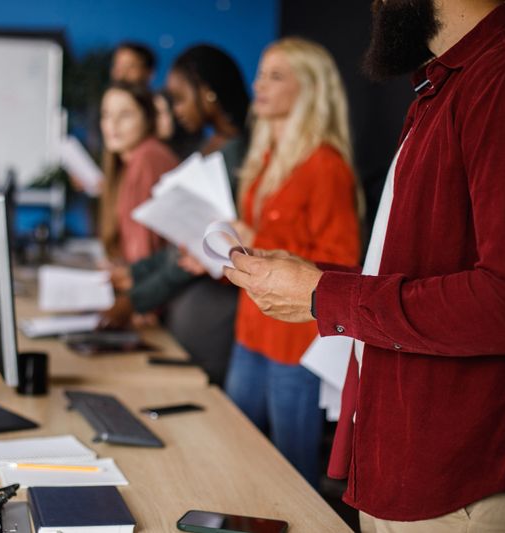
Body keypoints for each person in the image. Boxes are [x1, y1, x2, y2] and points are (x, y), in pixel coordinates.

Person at [224, 1, 505, 531]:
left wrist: (323, 295)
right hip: (405, 463)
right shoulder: (447, 87)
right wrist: (312, 278)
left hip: (458, 478)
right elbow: (418, 271)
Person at [220, 37, 361, 488]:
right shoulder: (263, 158)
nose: (259, 85)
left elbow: (341, 264)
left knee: (292, 471)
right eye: (261, 74)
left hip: (295, 339)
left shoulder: (326, 166)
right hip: (251, 327)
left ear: (309, 89)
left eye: (276, 76)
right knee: (232, 452)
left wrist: (255, 240)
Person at [102, 44, 250, 385]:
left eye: (180, 98)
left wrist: (134, 299)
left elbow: (199, 248)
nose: (176, 109)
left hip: (211, 304)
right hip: (188, 299)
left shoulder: (235, 155)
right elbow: (182, 244)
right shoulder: (211, 147)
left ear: (208, 93)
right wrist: (137, 275)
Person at [98, 81, 178, 264]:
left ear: (148, 119)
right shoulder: (131, 161)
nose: (113, 124)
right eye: (106, 114)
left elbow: (142, 252)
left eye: (125, 114)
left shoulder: (147, 157)